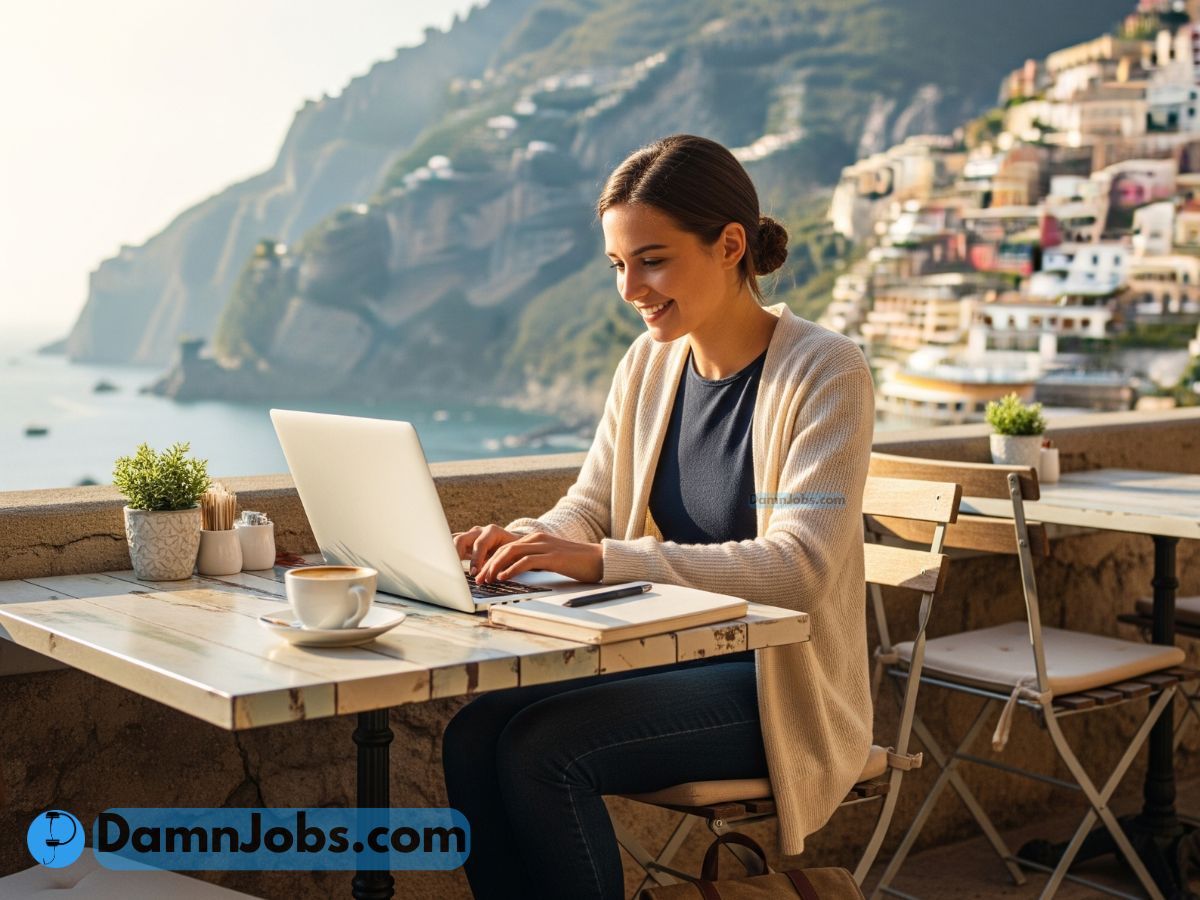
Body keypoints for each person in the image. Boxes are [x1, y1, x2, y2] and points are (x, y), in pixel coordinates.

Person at [442, 133, 875, 899]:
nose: (631, 287)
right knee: (474, 734)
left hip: (780, 681)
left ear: (729, 245)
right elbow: (593, 505)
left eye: (652, 258)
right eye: (618, 265)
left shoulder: (824, 369)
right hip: (675, 654)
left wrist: (609, 560)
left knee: (545, 750)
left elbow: (800, 568)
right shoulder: (648, 365)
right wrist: (528, 541)